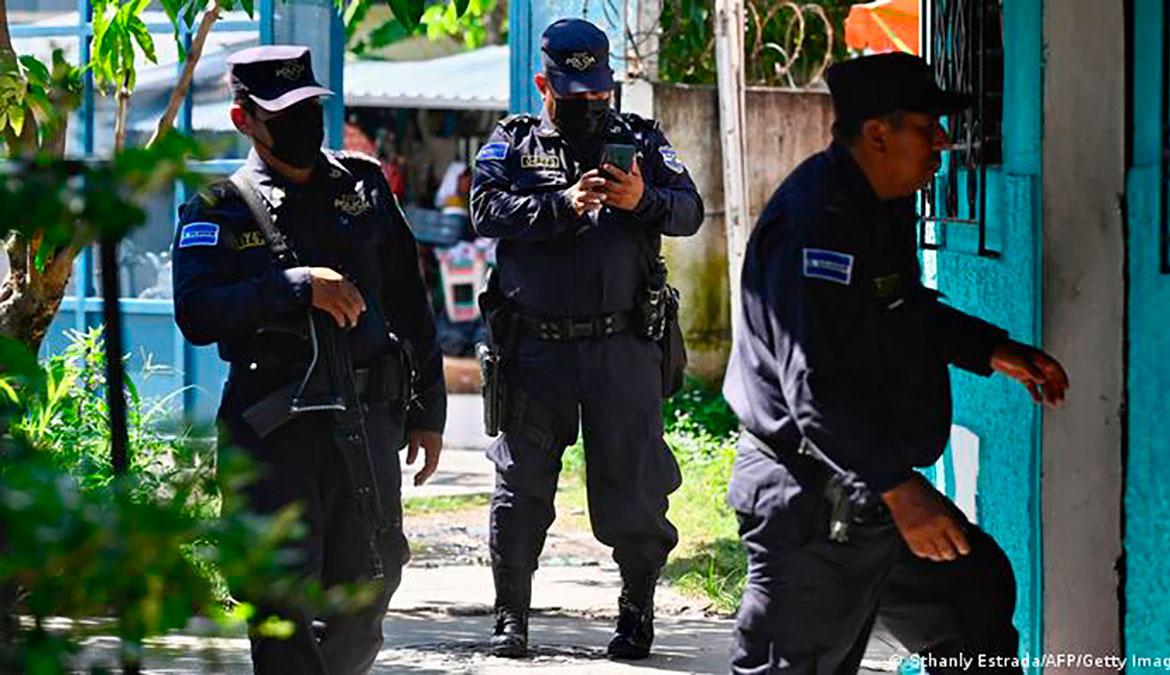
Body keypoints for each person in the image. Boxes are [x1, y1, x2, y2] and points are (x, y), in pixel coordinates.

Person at [721, 52, 1070, 674]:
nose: (943, 140)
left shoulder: (879, 202)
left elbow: (900, 308)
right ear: (878, 133)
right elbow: (813, 389)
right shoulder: (817, 222)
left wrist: (992, 349)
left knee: (972, 601)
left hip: (862, 484)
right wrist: (904, 494)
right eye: (927, 124)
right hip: (811, 496)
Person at [171, 45, 446, 674]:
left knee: (372, 580)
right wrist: (296, 288)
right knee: (278, 593)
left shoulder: (363, 184)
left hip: (367, 419)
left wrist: (428, 408)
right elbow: (197, 312)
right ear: (245, 120)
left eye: (308, 107)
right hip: (273, 432)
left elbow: (409, 298)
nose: (302, 122)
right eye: (283, 112)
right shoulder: (220, 207)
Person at [469, 17, 704, 661]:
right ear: (544, 83)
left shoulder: (639, 140)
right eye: (575, 97)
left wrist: (641, 200)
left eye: (600, 94)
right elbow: (484, 209)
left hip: (622, 347)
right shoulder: (514, 143)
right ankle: (510, 616)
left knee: (634, 487)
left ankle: (635, 612)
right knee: (520, 489)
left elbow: (689, 210)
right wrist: (561, 206)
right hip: (535, 350)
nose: (591, 106)